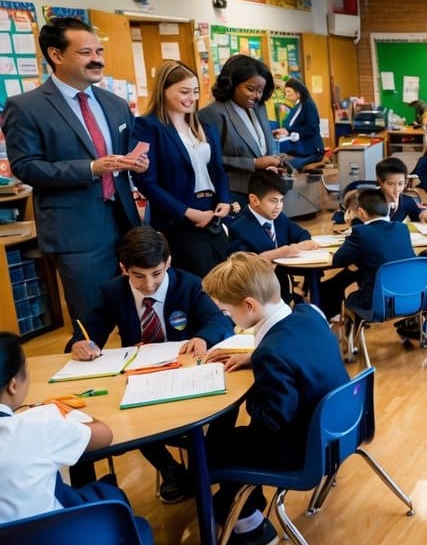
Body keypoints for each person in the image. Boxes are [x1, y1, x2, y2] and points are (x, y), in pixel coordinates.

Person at [201, 253, 349, 545]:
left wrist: (252, 390)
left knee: (213, 449)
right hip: (340, 430)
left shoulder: (272, 353)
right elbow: (299, 353)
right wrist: (256, 358)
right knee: (227, 443)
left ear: (250, 306)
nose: (228, 318)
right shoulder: (308, 314)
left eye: (227, 312)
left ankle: (250, 524)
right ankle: (235, 507)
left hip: (301, 451)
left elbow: (271, 422)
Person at [68, 226, 231, 504]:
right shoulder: (112, 292)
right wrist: (79, 345)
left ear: (168, 263)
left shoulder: (188, 284)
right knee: (129, 413)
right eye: (138, 276)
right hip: (139, 377)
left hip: (185, 374)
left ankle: (204, 466)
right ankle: (169, 468)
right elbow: (88, 334)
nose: (149, 284)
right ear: (123, 269)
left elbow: (221, 321)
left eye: (157, 273)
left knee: (221, 411)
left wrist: (202, 337)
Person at [7, 17, 147, 323]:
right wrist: (91, 168)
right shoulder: (26, 107)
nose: (98, 59)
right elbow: (26, 168)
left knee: (139, 318)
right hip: (77, 233)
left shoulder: (116, 104)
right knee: (91, 325)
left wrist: (138, 164)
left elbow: (123, 160)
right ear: (56, 55)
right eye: (86, 52)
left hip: (126, 225)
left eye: (99, 50)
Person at [0, 331, 116, 545]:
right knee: (101, 497)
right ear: (13, 384)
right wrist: (72, 414)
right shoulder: (36, 424)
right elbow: (103, 435)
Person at [131, 60, 232, 277]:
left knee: (226, 279)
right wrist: (188, 213)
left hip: (212, 212)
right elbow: (147, 183)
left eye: (195, 92)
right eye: (184, 92)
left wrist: (224, 200)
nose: (192, 98)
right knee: (200, 283)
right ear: (164, 91)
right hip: (180, 216)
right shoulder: (148, 126)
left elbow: (218, 170)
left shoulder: (204, 126)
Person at [318, 188, 414, 320]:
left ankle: (330, 319)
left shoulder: (361, 232)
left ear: (361, 213)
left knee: (341, 287)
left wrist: (354, 223)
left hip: (376, 303)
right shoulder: (402, 228)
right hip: (412, 297)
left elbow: (338, 260)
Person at [198, 54, 284, 199]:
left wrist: (274, 163)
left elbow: (262, 147)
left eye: (260, 90)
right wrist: (254, 163)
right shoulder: (212, 114)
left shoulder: (259, 108)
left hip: (265, 189)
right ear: (231, 84)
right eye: (250, 89)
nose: (256, 96)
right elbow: (208, 159)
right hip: (233, 194)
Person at [228, 171, 320, 302]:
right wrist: (283, 252)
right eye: (273, 201)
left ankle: (318, 309)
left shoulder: (279, 218)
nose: (279, 207)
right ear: (254, 200)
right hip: (257, 294)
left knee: (315, 271)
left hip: (282, 285)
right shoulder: (239, 228)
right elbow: (243, 266)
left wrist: (305, 243)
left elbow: (301, 233)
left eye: (281, 200)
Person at [274, 77, 324, 170]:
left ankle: (313, 164)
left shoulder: (307, 104)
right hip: (300, 150)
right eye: (286, 92)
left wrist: (289, 131)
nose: (287, 95)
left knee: (286, 165)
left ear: (298, 91)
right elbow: (290, 126)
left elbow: (312, 128)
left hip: (311, 151)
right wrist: (285, 131)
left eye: (289, 91)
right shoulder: (298, 105)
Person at [375, 157, 427, 224]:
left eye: (400, 184)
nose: (396, 189)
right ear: (380, 181)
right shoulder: (369, 202)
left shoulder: (407, 201)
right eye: (390, 184)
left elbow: (420, 216)